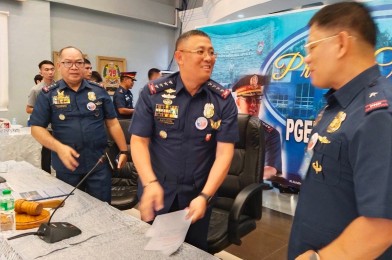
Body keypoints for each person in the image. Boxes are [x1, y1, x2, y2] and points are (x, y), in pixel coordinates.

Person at [288, 2, 392, 259]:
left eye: (312, 46)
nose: (307, 57)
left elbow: (384, 226)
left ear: (342, 43)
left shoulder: (381, 115)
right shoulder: (338, 106)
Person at [129, 29, 238, 251]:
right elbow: (139, 141)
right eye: (201, 51)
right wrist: (149, 183)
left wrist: (205, 195)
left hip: (196, 196)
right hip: (157, 190)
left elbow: (224, 154)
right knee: (154, 251)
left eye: (212, 52)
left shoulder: (222, 100)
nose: (209, 58)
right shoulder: (153, 93)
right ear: (180, 57)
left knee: (193, 251)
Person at [30, 46, 128, 203]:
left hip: (98, 164)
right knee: (72, 214)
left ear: (84, 65)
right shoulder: (49, 94)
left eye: (78, 62)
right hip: (67, 167)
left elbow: (112, 122)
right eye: (68, 62)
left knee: (103, 211)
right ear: (59, 65)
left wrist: (124, 150)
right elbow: (36, 128)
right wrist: (58, 147)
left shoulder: (98, 91)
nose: (74, 67)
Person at [232, 74, 282, 181]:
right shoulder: (226, 128)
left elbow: (271, 169)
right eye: (248, 100)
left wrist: (246, 175)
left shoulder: (271, 134)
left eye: (257, 99)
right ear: (238, 103)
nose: (254, 105)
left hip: (251, 184)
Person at [27, 60, 55, 174]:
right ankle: (46, 174)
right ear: (41, 72)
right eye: (46, 70)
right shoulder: (36, 89)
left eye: (52, 69)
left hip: (61, 125)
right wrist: (45, 110)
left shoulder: (60, 86)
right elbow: (28, 109)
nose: (50, 72)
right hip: (46, 127)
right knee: (47, 153)